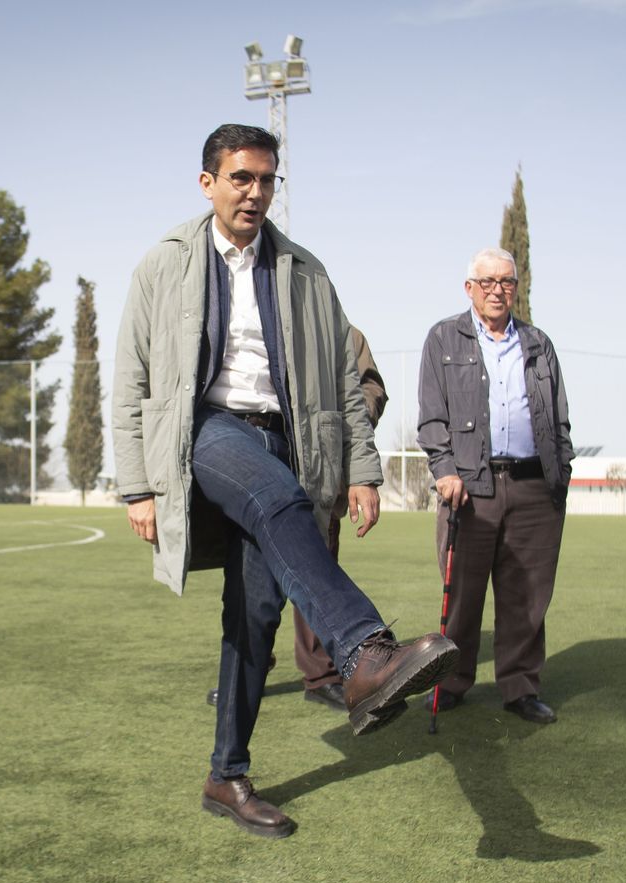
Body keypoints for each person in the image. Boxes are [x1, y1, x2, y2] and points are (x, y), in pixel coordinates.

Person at [113, 124, 457, 839]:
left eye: (267, 179)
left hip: (286, 436)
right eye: (241, 178)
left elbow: (342, 379)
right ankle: (365, 652)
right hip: (204, 429)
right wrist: (136, 484)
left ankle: (225, 774)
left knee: (256, 611)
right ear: (207, 183)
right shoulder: (164, 264)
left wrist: (363, 470)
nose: (255, 192)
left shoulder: (304, 272)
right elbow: (131, 378)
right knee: (279, 498)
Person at [417, 248, 573, 724]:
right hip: (469, 489)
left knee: (527, 596)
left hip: (532, 487)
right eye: (486, 282)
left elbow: (559, 416)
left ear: (516, 287)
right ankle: (453, 682)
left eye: (505, 281)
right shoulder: (443, 338)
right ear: (469, 288)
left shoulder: (538, 343)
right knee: (462, 594)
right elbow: (431, 418)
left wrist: (559, 474)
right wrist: (444, 470)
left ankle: (520, 687)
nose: (496, 290)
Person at [204, 326, 388, 711]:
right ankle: (244, 673)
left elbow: (371, 388)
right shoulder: (251, 317)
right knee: (247, 585)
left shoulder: (343, 332)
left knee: (315, 570)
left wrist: (336, 429)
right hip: (255, 464)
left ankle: (321, 674)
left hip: (316, 473)